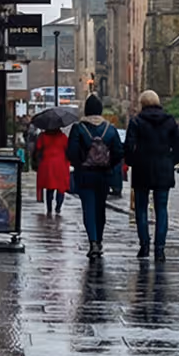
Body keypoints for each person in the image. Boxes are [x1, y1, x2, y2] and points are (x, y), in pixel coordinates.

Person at [125, 89, 179, 260]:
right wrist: (172, 159)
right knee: (161, 209)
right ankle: (160, 248)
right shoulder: (170, 121)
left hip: (142, 169)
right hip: (163, 169)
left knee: (141, 209)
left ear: (142, 103)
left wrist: (132, 161)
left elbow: (129, 146)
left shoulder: (136, 121)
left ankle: (144, 245)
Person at [67, 94, 125, 259]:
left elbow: (71, 152)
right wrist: (108, 164)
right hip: (103, 176)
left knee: (89, 208)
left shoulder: (78, 128)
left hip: (85, 175)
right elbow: (119, 152)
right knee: (100, 208)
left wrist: (80, 164)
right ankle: (99, 240)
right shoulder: (110, 129)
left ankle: (92, 241)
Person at [36, 125, 70, 215]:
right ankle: (58, 207)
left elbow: (38, 148)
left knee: (49, 187)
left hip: (47, 164)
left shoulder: (43, 136)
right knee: (60, 187)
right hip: (61, 164)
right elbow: (68, 149)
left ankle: (49, 208)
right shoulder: (63, 137)